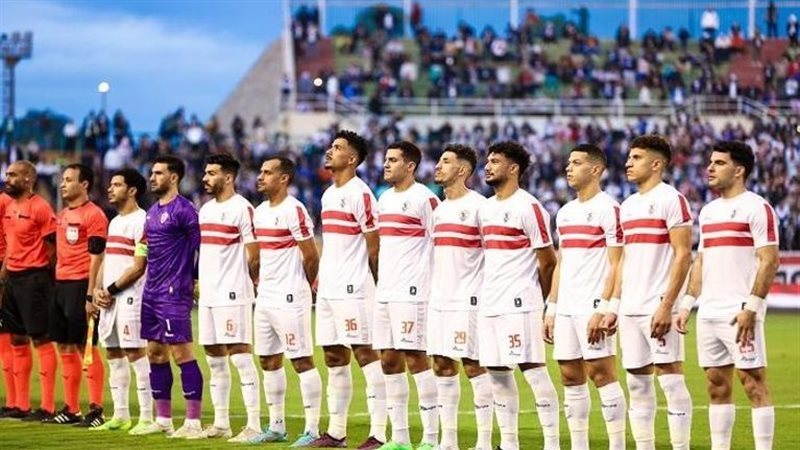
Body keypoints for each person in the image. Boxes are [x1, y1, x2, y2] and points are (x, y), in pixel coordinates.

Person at [676, 141, 778, 450]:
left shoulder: (756, 207)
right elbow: (701, 260)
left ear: (739, 170)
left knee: (753, 382)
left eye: (719, 163)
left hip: (739, 312)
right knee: (716, 385)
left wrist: (752, 307)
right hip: (708, 311)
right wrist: (687, 303)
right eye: (710, 162)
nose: (710, 168)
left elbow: (769, 260)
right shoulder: (708, 212)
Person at [601, 135, 694, 450]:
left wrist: (667, 305)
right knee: (636, 383)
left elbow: (683, 254)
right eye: (629, 157)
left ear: (656, 164)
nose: (628, 163)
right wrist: (614, 306)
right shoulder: (628, 206)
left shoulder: (672, 199)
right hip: (630, 307)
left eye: (636, 157)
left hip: (657, 306)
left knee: (671, 380)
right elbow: (624, 260)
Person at [542, 144, 627, 450]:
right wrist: (551, 307)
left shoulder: (609, 209)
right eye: (568, 162)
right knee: (569, 375)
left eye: (576, 163)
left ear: (595, 169)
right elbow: (561, 262)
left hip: (593, 304)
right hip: (566, 305)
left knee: (602, 373)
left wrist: (606, 307)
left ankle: (617, 445)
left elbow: (618, 263)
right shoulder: (565, 213)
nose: (568, 168)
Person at [306, 130, 386, 449]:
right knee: (333, 356)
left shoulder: (361, 194)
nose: (330, 150)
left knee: (365, 354)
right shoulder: (328, 194)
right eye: (331, 146)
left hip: (355, 287)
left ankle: (378, 433)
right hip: (330, 287)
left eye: (337, 147)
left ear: (351, 159)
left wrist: (378, 285)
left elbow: (374, 246)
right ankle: (336, 433)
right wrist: (321, 277)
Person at [478, 141, 560, 450]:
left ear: (513, 168)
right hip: (490, 300)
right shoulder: (486, 208)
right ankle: (509, 443)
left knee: (533, 370)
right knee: (497, 373)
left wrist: (542, 300)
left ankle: (552, 444)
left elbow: (548, 260)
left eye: (495, 161)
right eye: (488, 161)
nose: (488, 166)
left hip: (519, 301)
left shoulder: (529, 207)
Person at [248, 156, 323, 447]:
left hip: (291, 296)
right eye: (261, 171)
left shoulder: (295, 210)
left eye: (267, 172)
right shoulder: (259, 212)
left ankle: (312, 429)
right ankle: (277, 426)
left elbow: (311, 256)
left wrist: (303, 286)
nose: (261, 176)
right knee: (268, 360)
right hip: (265, 296)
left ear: (284, 178)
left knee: (301, 360)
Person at [373, 141, 439, 450]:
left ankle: (430, 438)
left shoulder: (425, 198)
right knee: (388, 360)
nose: (386, 164)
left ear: (410, 166)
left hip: (413, 290)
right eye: (386, 159)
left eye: (393, 160)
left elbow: (439, 243)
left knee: (416, 358)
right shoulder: (384, 198)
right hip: (385, 290)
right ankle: (399, 438)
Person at [132, 155, 204, 438]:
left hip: (174, 292)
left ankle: (193, 423)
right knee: (154, 353)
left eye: (158, 173)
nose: (152, 178)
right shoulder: (151, 212)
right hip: (151, 291)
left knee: (181, 353)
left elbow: (200, 249)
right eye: (152, 173)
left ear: (174, 177)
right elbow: (145, 249)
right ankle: (163, 419)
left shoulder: (185, 210)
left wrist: (196, 279)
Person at [428, 144, 493, 450]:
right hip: (439, 299)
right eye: (439, 160)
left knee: (473, 366)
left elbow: (494, 254)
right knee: (441, 365)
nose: (438, 166)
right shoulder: (439, 210)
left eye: (446, 161)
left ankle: (483, 442)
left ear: (463, 170)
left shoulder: (480, 207)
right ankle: (449, 442)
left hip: (468, 298)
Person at [194, 153, 261, 442]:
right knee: (214, 360)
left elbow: (254, 254)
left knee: (241, 357)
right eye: (205, 173)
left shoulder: (242, 208)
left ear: (228, 177)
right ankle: (221, 423)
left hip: (233, 293)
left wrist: (247, 282)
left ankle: (254, 425)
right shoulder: (206, 210)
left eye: (211, 173)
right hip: (208, 294)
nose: (205, 178)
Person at [45, 163, 109, 427]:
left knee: (87, 347)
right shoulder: (61, 215)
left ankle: (96, 410)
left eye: (69, 179)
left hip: (82, 285)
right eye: (62, 179)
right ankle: (71, 409)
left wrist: (91, 294)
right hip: (60, 285)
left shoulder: (94, 215)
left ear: (84, 184)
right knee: (65, 346)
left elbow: (98, 258)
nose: (62, 184)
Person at [90, 168, 153, 433]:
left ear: (132, 190)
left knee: (135, 353)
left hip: (130, 297)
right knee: (114, 354)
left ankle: (147, 417)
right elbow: (107, 259)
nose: (110, 188)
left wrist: (110, 289)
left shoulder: (143, 221)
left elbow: (139, 266)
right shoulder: (114, 222)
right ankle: (120, 415)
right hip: (109, 298)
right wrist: (97, 290)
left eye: (116, 184)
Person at [0, 162, 58, 422]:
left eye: (12, 175)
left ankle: (47, 406)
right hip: (12, 279)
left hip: (34, 279)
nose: (7, 178)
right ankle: (19, 405)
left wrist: (48, 278)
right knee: (17, 340)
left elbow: (53, 247)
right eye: (7, 174)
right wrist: (4, 274)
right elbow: (10, 245)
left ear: (27, 179)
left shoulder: (40, 207)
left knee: (40, 339)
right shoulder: (10, 207)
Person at [0, 191, 15, 415]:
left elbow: (13, 240)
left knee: (5, 335)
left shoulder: (6, 202)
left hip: (4, 270)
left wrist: (3, 272)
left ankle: (14, 400)